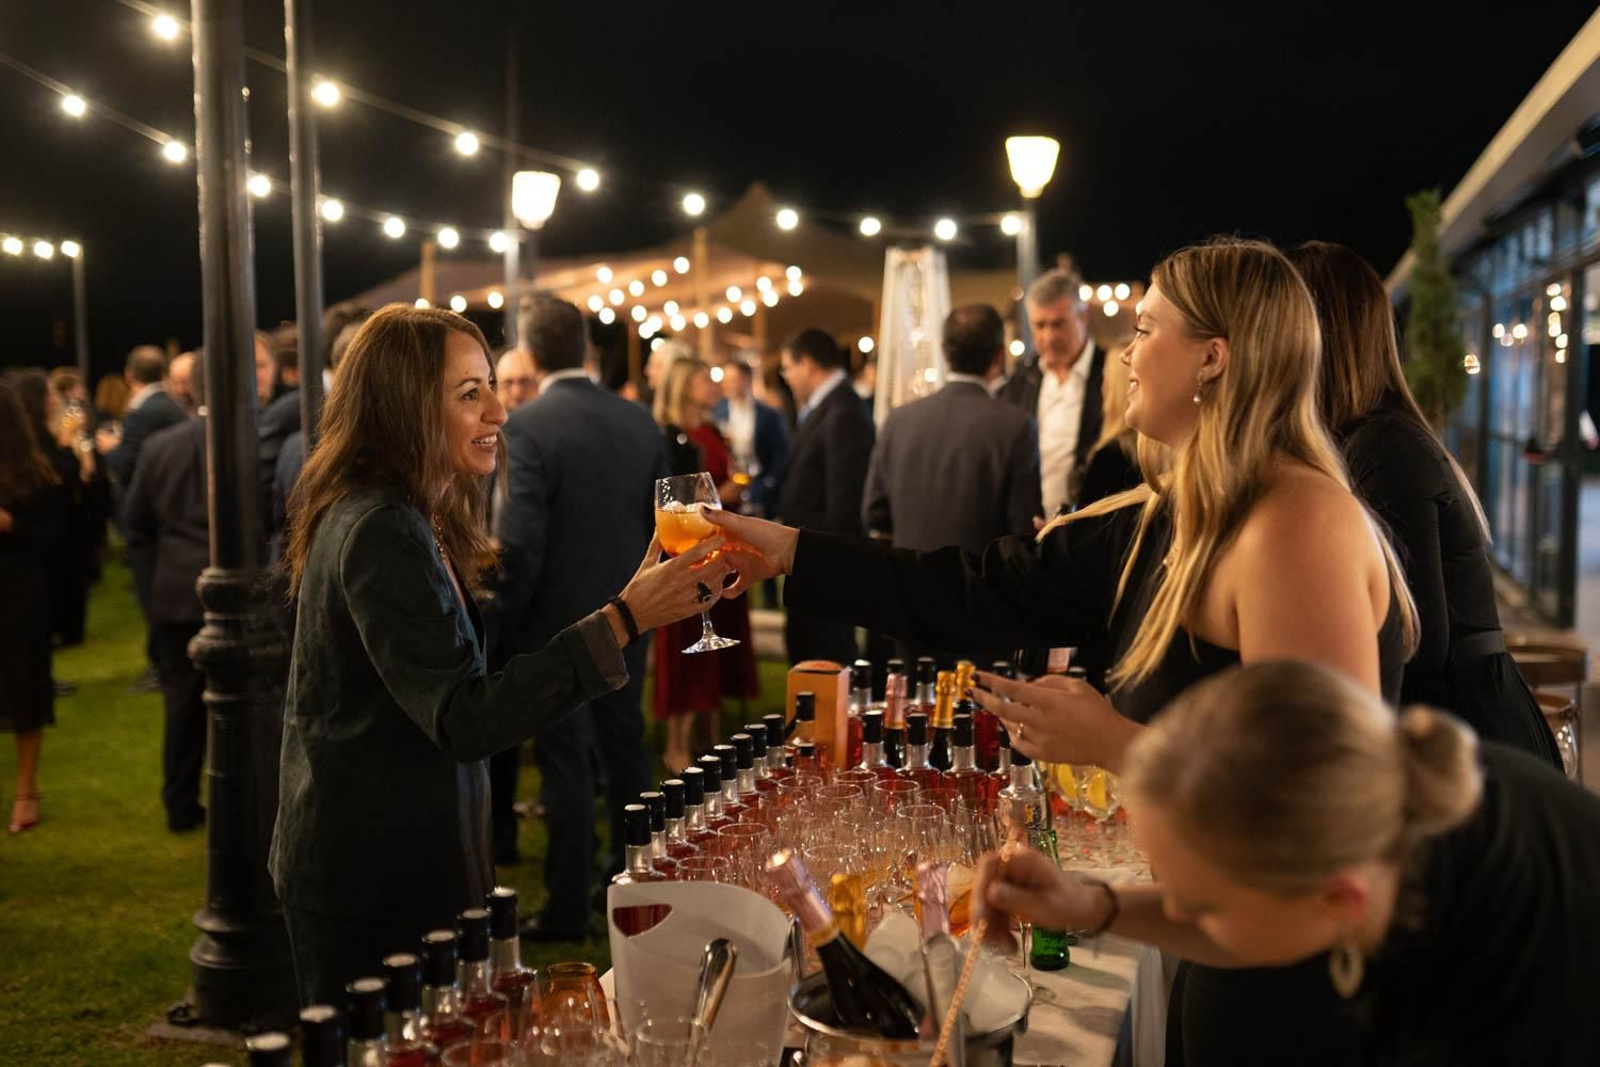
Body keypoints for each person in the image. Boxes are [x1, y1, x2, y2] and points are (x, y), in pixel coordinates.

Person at [271, 303, 728, 1004]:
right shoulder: (378, 528)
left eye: (492, 384)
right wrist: (625, 617)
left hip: (403, 859)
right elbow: (463, 716)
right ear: (404, 406)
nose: (500, 412)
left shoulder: (409, 513)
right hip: (369, 878)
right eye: (469, 393)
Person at [978, 660, 1600, 1066]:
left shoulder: (1503, 984)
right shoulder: (1368, 819)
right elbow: (1251, 913)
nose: (1182, 913)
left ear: (1337, 903)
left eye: (1202, 904)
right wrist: (1093, 903)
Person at [1286, 240, 1560, 767]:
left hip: (1471, 750)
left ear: (1317, 338)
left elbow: (1413, 641)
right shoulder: (1374, 439)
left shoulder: (1382, 446)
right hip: (1460, 732)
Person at [493, 295, 668, 942]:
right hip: (632, 611)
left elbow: (520, 544)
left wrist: (505, 621)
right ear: (586, 349)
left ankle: (567, 904)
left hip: (557, 626)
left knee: (566, 764)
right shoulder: (638, 421)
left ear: (533, 355)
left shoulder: (529, 425)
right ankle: (633, 883)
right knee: (626, 752)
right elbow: (661, 526)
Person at [862, 305, 1041, 662]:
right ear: (999, 356)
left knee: (913, 712)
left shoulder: (900, 420)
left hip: (911, 603)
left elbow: (874, 512)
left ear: (944, 353)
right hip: (982, 610)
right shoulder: (1015, 426)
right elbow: (1022, 527)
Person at [651, 355, 759, 773]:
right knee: (685, 645)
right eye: (704, 379)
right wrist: (721, 496)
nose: (713, 386)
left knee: (715, 646)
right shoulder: (673, 438)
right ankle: (678, 744)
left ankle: (709, 734)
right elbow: (678, 499)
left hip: (721, 548)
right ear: (682, 385)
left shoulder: (712, 431)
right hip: (688, 550)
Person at [123, 357, 213, 833]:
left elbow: (134, 520)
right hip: (228, 590)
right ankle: (237, 801)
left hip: (176, 590)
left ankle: (179, 803)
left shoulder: (159, 447)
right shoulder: (249, 439)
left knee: (180, 704)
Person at [774, 328, 875, 665]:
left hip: (825, 563)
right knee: (807, 652)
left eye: (787, 368)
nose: (786, 377)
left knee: (828, 658)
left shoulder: (843, 411)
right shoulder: (827, 406)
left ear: (807, 364)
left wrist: (800, 541)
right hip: (810, 557)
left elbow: (844, 505)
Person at [0, 378, 70, 834]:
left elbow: (58, 541)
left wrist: (10, 525)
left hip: (18, 595)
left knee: (24, 691)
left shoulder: (34, 471)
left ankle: (26, 788)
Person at [97, 346, 187, 692]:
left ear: (130, 376)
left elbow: (126, 465)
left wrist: (109, 450)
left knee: (154, 596)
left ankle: (161, 665)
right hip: (170, 517)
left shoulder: (144, 413)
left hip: (155, 521)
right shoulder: (167, 407)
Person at [485, 342, 539, 864]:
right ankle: (498, 833)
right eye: (509, 383)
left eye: (526, 382)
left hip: (533, 602)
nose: (516, 393)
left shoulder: (542, 445)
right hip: (489, 600)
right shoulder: (479, 445)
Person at [998, 267, 1107, 517]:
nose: (1049, 336)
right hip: (1032, 527)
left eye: (1059, 324)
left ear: (1084, 317)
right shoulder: (1022, 379)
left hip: (1092, 526)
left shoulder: (1109, 374)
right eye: (1040, 325)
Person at [712, 355, 788, 518]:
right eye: (726, 380)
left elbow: (780, 454)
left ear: (746, 379)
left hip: (761, 484)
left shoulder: (768, 415)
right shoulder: (718, 412)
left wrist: (766, 486)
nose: (728, 385)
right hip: (730, 486)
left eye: (733, 379)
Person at [1072, 341, 1142, 507]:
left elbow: (1089, 529)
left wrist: (1059, 528)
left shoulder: (1109, 457)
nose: (1101, 386)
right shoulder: (1150, 452)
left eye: (1105, 376)